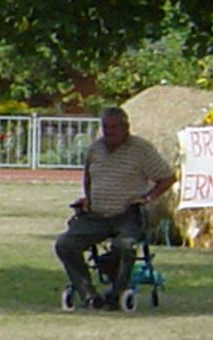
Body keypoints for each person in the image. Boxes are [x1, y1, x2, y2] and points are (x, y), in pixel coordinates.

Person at [55, 107, 175, 309]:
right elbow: (89, 177)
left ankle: (117, 292)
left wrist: (148, 197)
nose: (110, 132)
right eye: (106, 127)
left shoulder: (141, 149)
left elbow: (167, 177)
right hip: (97, 214)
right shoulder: (95, 149)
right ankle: (88, 294)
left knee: (125, 245)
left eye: (114, 127)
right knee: (65, 244)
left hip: (127, 214)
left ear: (126, 127)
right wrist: (88, 199)